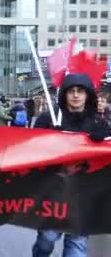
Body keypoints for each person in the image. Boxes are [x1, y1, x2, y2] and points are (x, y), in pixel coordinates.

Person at [32, 73, 111, 257]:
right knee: (47, 241)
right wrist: (49, 135)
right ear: (64, 94)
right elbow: (31, 147)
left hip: (84, 196)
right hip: (53, 194)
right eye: (71, 91)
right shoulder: (49, 119)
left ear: (87, 95)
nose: (76, 95)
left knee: (76, 248)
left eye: (80, 91)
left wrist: (105, 136)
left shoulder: (99, 121)